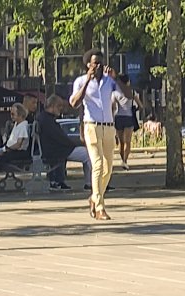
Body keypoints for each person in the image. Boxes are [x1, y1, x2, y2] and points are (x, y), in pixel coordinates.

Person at [70, 49, 133, 220]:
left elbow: (128, 95)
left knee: (108, 168)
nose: (98, 66)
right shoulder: (80, 81)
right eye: (95, 63)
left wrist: (117, 78)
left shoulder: (109, 82)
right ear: (88, 64)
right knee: (97, 164)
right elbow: (74, 103)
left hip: (109, 126)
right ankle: (100, 207)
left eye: (101, 63)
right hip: (91, 126)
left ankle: (93, 197)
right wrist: (87, 81)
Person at [39, 94, 93, 191]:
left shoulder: (44, 118)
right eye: (59, 106)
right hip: (57, 150)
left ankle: (89, 182)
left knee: (86, 153)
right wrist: (74, 144)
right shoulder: (48, 121)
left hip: (54, 149)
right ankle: (90, 183)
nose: (61, 109)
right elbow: (59, 138)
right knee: (88, 154)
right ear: (52, 106)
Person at [112, 74, 139, 169]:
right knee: (128, 141)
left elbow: (113, 107)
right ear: (128, 82)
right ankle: (125, 161)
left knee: (121, 142)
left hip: (118, 117)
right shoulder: (132, 92)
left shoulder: (115, 93)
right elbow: (140, 105)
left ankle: (122, 159)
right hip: (129, 117)